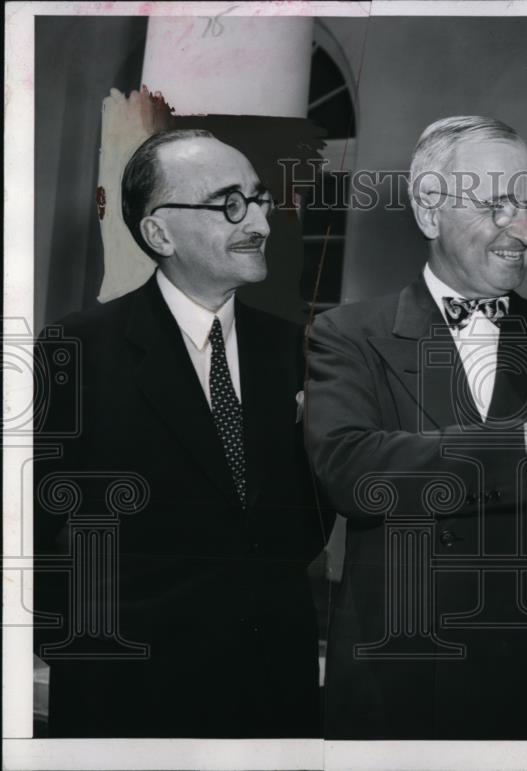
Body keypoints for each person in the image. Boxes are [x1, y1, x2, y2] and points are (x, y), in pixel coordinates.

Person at [305, 115, 527, 740]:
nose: (524, 229)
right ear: (429, 210)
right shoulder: (349, 335)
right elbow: (353, 472)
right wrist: (524, 439)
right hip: (403, 683)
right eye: (498, 205)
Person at [33, 129, 326, 738]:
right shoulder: (78, 349)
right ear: (159, 233)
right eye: (229, 204)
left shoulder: (292, 349)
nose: (260, 223)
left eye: (259, 199)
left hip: (272, 691)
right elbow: (25, 522)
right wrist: (73, 643)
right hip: (128, 694)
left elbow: (310, 515)